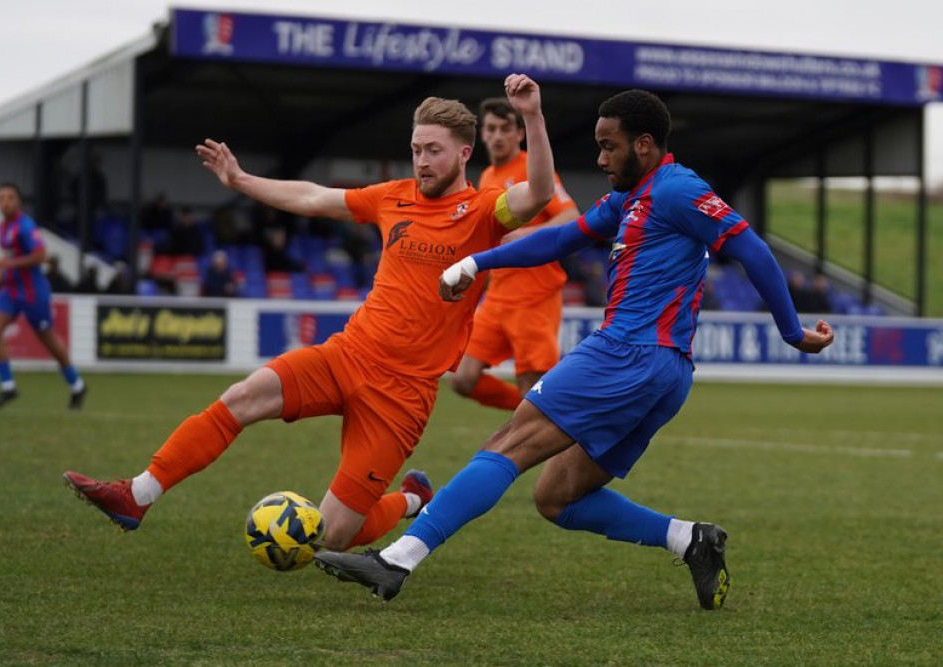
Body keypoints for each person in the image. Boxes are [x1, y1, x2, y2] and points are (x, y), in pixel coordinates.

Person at [314, 89, 836, 610]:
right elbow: (560, 241)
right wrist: (478, 263)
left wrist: (791, 332)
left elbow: (752, 249)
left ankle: (397, 560)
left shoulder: (677, 188)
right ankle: (689, 538)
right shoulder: (628, 200)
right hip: (665, 373)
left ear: (646, 145)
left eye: (609, 147)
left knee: (509, 443)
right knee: (557, 497)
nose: (600, 159)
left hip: (626, 353)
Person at [63, 74, 556, 553]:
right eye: (416, 149)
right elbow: (314, 197)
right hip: (347, 355)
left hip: (401, 395)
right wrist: (240, 180)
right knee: (243, 396)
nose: (422, 161)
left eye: (434, 151)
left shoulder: (483, 211)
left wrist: (531, 115)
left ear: (464, 153)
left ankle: (410, 499)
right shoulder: (393, 197)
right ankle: (137, 495)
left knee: (333, 535)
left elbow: (536, 194)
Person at [450, 97, 581, 410]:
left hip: (535, 295)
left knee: (531, 386)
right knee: (462, 377)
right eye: (491, 129)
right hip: (498, 297)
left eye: (504, 129)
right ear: (482, 134)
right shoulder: (486, 178)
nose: (497, 136)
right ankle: (532, 418)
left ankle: (536, 424)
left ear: (519, 134)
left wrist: (525, 235)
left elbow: (572, 215)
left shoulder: (532, 168)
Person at [0, 183, 87, 409]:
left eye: (10, 197)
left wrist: (8, 263)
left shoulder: (25, 225)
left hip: (33, 291)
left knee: (47, 339)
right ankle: (7, 386)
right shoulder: (3, 227)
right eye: (1, 198)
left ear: (19, 202)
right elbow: (9, 255)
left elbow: (41, 255)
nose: (5, 202)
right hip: (11, 289)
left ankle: (77, 384)